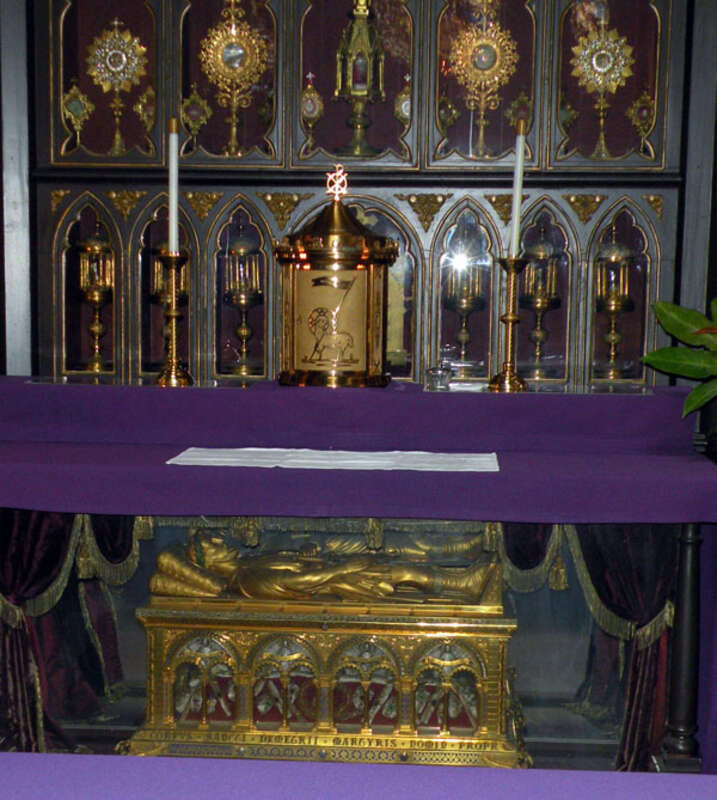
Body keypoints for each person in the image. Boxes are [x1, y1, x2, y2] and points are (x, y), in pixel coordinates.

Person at [150, 530, 498, 604]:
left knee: (395, 557)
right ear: (206, 562)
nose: (217, 540)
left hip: (335, 570)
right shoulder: (248, 578)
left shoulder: (249, 560)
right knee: (405, 573)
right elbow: (300, 583)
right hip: (337, 582)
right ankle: (463, 584)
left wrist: (305, 549)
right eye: (209, 544)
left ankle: (454, 556)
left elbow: (295, 564)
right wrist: (344, 570)